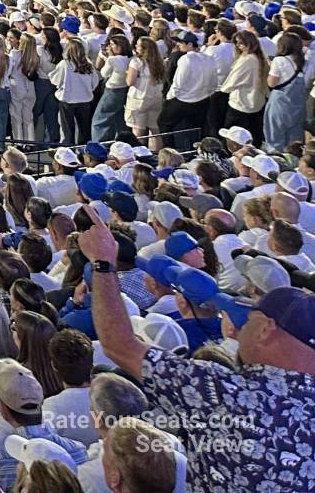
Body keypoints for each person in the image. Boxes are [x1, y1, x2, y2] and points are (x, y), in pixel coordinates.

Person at [77, 204, 315, 493]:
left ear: (266, 329)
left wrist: (102, 263)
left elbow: (119, 344)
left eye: (248, 319)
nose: (239, 329)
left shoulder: (227, 393)